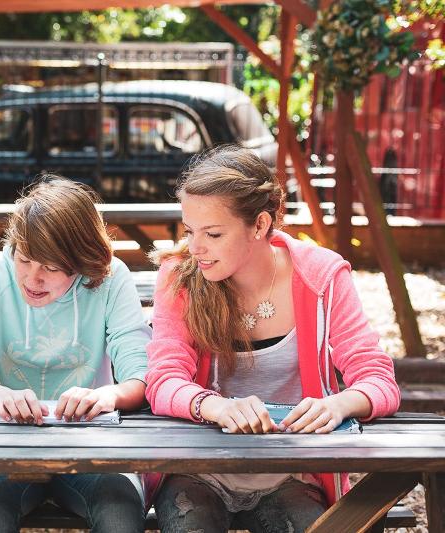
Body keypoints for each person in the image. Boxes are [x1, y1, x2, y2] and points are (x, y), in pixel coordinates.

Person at [145, 145, 400, 533]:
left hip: (291, 470)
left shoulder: (322, 275)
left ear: (260, 225)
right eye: (189, 231)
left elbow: (378, 379)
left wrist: (339, 404)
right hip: (198, 467)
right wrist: (214, 406)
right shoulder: (179, 276)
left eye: (213, 233)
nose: (195, 248)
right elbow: (163, 380)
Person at [0, 176, 152, 533]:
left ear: (83, 262)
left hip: (89, 441)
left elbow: (142, 373)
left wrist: (107, 395)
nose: (32, 279)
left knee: (120, 511)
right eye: (24, 260)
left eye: (50, 268)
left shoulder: (112, 279)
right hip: (3, 442)